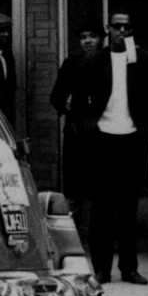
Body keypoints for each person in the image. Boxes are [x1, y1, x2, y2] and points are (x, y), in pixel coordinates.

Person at [70, 10, 148, 285]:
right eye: (117, 26)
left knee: (129, 209)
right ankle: (101, 268)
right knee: (101, 209)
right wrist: (88, 128)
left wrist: (147, 128)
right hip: (102, 139)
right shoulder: (94, 60)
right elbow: (79, 99)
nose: (122, 31)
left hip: (131, 139)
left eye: (127, 27)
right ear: (108, 29)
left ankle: (129, 268)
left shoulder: (142, 60)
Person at [50, 19, 104, 234]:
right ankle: (73, 236)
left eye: (92, 36)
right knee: (75, 189)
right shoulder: (71, 63)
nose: (88, 41)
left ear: (102, 38)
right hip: (77, 132)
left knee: (102, 186)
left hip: (103, 132)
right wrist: (67, 102)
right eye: (83, 37)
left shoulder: (109, 62)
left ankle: (102, 234)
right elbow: (56, 97)